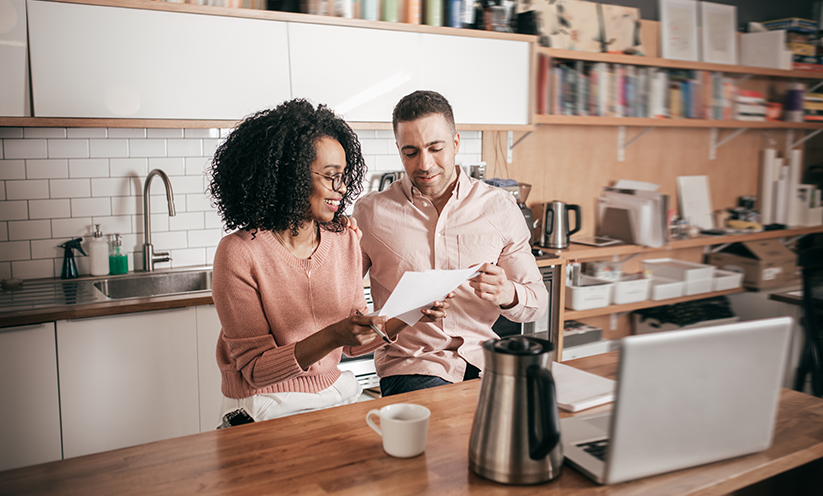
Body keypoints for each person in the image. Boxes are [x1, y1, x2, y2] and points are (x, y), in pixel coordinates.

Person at [207, 99, 447, 427]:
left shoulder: (343, 238)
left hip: (333, 391)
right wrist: (333, 335)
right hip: (264, 404)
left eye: (344, 176)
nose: (343, 188)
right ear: (288, 177)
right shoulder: (239, 253)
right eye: (331, 176)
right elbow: (256, 370)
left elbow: (352, 341)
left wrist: (411, 314)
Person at [352, 90, 549, 397]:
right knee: (444, 438)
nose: (425, 164)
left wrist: (508, 293)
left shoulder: (499, 207)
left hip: (485, 360)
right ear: (399, 151)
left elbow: (538, 301)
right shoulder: (371, 213)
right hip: (414, 364)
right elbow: (344, 305)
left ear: (456, 143)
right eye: (411, 152)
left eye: (435, 148)